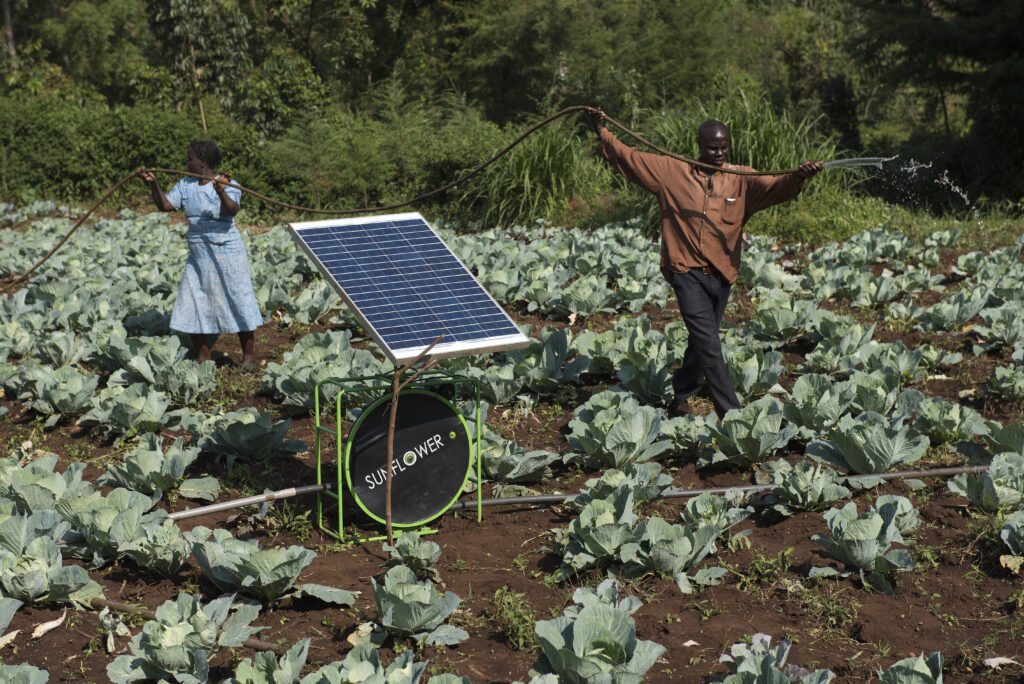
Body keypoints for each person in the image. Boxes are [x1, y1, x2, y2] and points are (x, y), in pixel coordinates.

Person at [589, 109, 822, 418]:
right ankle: (732, 415)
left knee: (702, 340)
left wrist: (798, 176)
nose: (719, 152)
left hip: (722, 273)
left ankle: (681, 395)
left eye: (724, 146)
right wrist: (602, 132)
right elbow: (630, 157)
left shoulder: (741, 179)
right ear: (699, 145)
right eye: (713, 147)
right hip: (685, 270)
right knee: (710, 345)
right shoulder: (672, 171)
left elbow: (777, 186)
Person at [137, 141, 263, 367]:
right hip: (199, 254)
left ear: (203, 162)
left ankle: (249, 356)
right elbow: (165, 205)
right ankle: (203, 354)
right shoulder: (186, 185)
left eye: (190, 158)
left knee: (238, 298)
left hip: (227, 251)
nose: (187, 163)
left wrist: (220, 190)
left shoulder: (228, 183)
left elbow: (232, 210)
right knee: (193, 299)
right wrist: (153, 184)